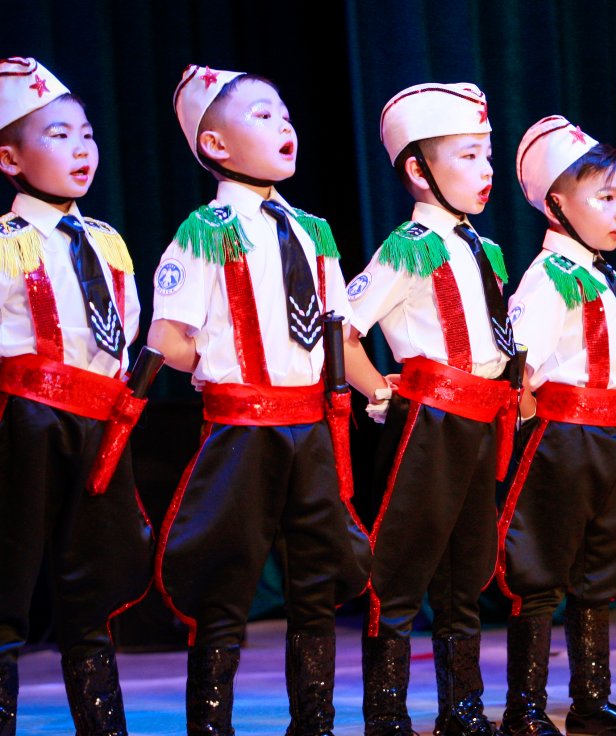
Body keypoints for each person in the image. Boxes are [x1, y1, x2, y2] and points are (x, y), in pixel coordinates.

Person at [149, 64, 370, 735]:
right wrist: (223, 370)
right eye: (263, 116)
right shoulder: (206, 227)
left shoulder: (313, 229)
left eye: (285, 115)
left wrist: (377, 391)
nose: (284, 126)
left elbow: (336, 329)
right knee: (225, 575)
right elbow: (168, 337)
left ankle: (315, 721)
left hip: (311, 424)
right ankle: (211, 724)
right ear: (215, 144)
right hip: (244, 427)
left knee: (317, 576)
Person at [343, 82, 517, 736]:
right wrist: (379, 391)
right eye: (468, 156)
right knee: (401, 565)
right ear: (419, 171)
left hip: (481, 417)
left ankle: (463, 709)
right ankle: (387, 713)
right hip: (431, 420)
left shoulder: (484, 247)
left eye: (487, 155)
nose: (485, 170)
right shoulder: (407, 245)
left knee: (466, 567)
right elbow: (344, 329)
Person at [496, 116, 616, 736]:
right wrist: (532, 432)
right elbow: (521, 370)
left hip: (615, 435)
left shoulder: (606, 275)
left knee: (601, 573)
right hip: (564, 438)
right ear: (558, 204)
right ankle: (526, 708)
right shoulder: (548, 278)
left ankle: (591, 702)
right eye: (604, 197)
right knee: (540, 570)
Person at [0, 56, 153, 736]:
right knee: (8, 581)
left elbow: (126, 327)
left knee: (90, 585)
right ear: (10, 158)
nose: (81, 148)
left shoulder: (107, 240)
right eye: (58, 135)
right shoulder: (6, 243)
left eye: (86, 134)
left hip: (99, 421)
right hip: (27, 418)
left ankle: (103, 725)